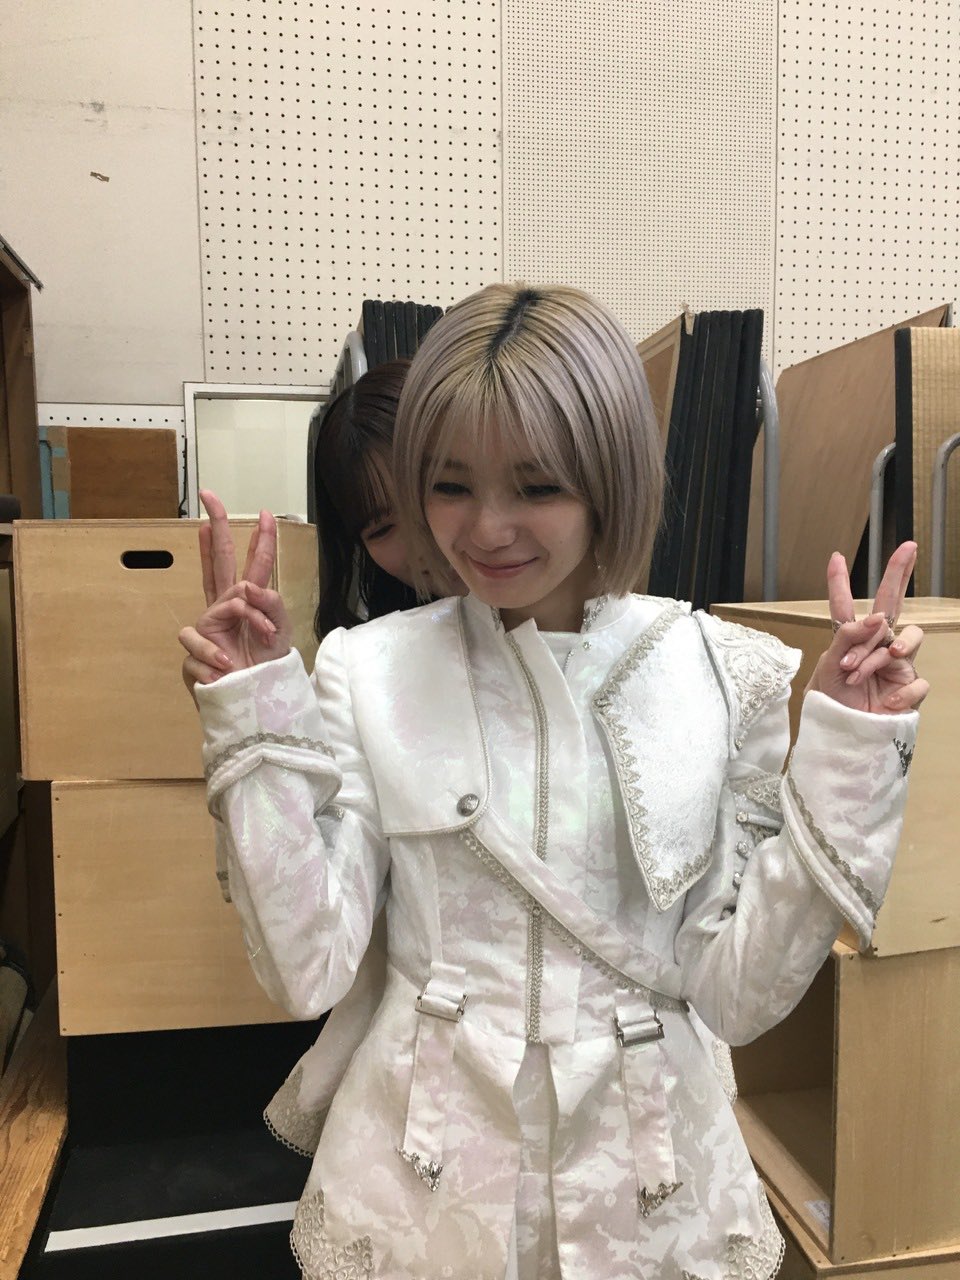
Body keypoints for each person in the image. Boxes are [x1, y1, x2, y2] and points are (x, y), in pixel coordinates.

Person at [182, 284, 926, 1280]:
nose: (486, 528)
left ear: (608, 478)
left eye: (536, 486)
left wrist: (849, 747)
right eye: (449, 485)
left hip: (647, 1180)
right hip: (424, 1175)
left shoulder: (722, 672)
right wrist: (252, 717)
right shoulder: (369, 668)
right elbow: (305, 966)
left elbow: (738, 993)